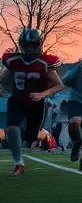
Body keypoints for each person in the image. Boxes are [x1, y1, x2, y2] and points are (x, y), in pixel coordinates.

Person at [1, 28, 65, 176]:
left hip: (36, 103)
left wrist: (42, 94)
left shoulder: (45, 63)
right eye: (27, 45)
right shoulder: (13, 61)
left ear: (39, 45)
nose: (30, 49)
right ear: (22, 45)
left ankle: (35, 141)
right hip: (17, 100)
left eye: (33, 45)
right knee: (11, 128)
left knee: (30, 139)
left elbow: (59, 85)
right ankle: (18, 162)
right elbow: (2, 79)